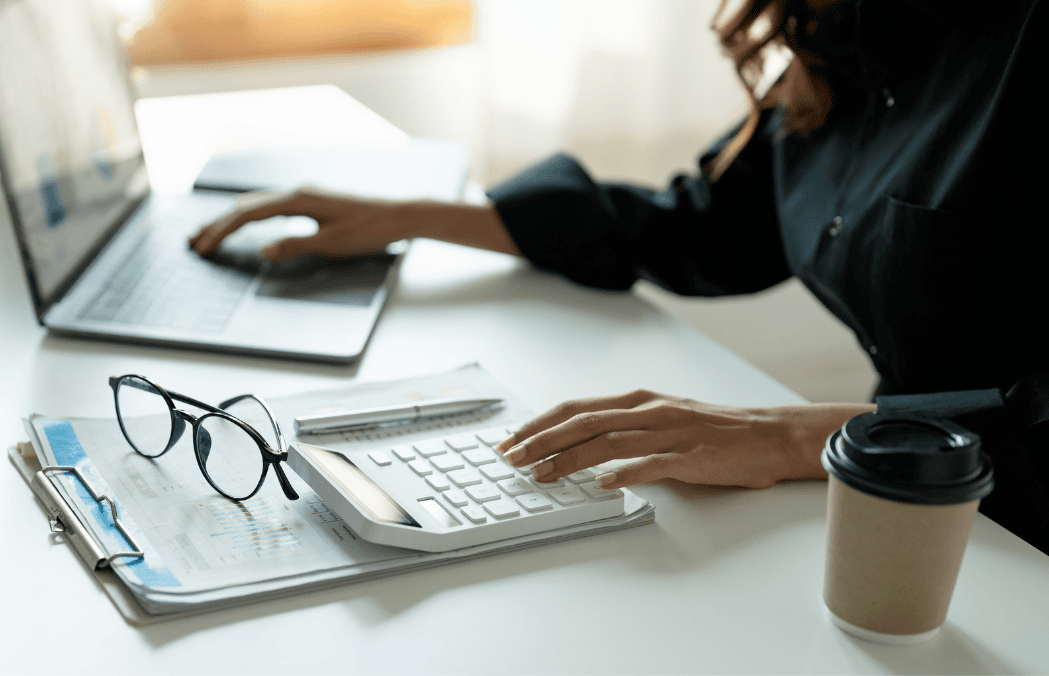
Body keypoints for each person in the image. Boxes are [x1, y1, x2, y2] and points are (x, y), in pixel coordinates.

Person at [190, 0, 1049, 552]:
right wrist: (415, 216)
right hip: (899, 509)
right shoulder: (841, 28)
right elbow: (705, 229)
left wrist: (795, 435)